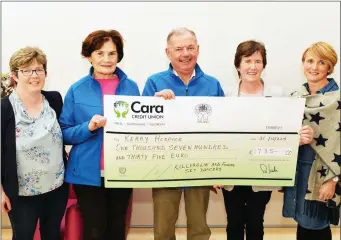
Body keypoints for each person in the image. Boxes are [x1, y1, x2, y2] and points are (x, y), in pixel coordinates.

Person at [214, 40, 314, 240]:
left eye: (258, 61)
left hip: (263, 172)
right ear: (238, 65)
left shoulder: (278, 95)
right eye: (247, 60)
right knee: (234, 221)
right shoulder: (225, 95)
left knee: (255, 221)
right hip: (230, 173)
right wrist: (215, 171)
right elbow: (216, 135)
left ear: (264, 65)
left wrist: (299, 139)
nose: (252, 66)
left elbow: (285, 135)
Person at [142, 27, 224, 240]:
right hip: (164, 167)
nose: (185, 54)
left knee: (199, 227)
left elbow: (223, 128)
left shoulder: (213, 85)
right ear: (168, 53)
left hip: (201, 167)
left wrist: (221, 168)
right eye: (178, 49)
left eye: (190, 48)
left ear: (198, 49)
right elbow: (141, 126)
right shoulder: (154, 83)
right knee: (163, 228)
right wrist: (154, 105)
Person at [59, 30, 140, 240]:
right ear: (89, 56)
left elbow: (142, 126)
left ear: (118, 56)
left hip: (122, 171)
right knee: (95, 231)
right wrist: (89, 127)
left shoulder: (131, 87)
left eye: (112, 54)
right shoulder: (77, 89)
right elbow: (64, 133)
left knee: (116, 230)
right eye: (100, 53)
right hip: (86, 173)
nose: (106, 59)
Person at [1, 46, 69, 239]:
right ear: (14, 75)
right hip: (22, 193)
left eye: (39, 69)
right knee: (23, 235)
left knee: (52, 234)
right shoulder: (4, 108)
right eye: (26, 70)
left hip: (56, 187)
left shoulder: (54, 100)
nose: (34, 75)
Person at [283, 42, 340, 240]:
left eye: (321, 62)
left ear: (329, 67)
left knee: (316, 226)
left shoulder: (337, 100)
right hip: (298, 172)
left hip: (322, 175)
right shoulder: (295, 98)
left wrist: (333, 180)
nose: (314, 67)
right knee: (302, 224)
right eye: (310, 61)